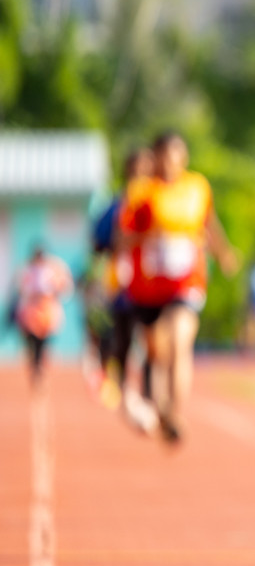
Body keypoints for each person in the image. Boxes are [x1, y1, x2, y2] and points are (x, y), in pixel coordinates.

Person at [120, 132, 240, 442]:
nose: (171, 162)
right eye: (164, 155)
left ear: (184, 157)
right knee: (157, 354)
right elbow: (122, 238)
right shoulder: (142, 192)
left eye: (177, 155)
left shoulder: (197, 187)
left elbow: (208, 224)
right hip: (147, 287)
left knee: (179, 342)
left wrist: (223, 252)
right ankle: (161, 409)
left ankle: (175, 413)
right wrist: (150, 236)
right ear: (155, 157)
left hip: (186, 282)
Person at [94, 147, 156, 414]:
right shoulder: (118, 204)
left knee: (155, 335)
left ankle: (149, 391)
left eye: (145, 170)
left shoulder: (160, 199)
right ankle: (119, 382)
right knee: (123, 334)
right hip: (124, 279)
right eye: (136, 170)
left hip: (155, 278)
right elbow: (98, 239)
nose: (140, 175)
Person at [12, 245, 74, 392]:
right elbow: (22, 290)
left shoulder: (52, 271)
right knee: (32, 346)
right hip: (30, 316)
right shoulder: (27, 271)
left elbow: (63, 289)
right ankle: (35, 369)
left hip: (45, 317)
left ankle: (39, 371)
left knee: (41, 346)